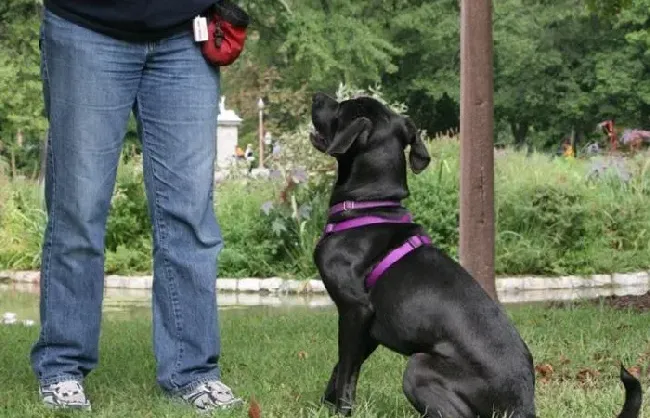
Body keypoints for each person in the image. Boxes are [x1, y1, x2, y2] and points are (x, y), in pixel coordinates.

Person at [31, 0, 242, 412]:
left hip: (186, 33)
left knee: (190, 215)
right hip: (85, 26)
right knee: (78, 209)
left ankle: (193, 371)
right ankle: (62, 368)